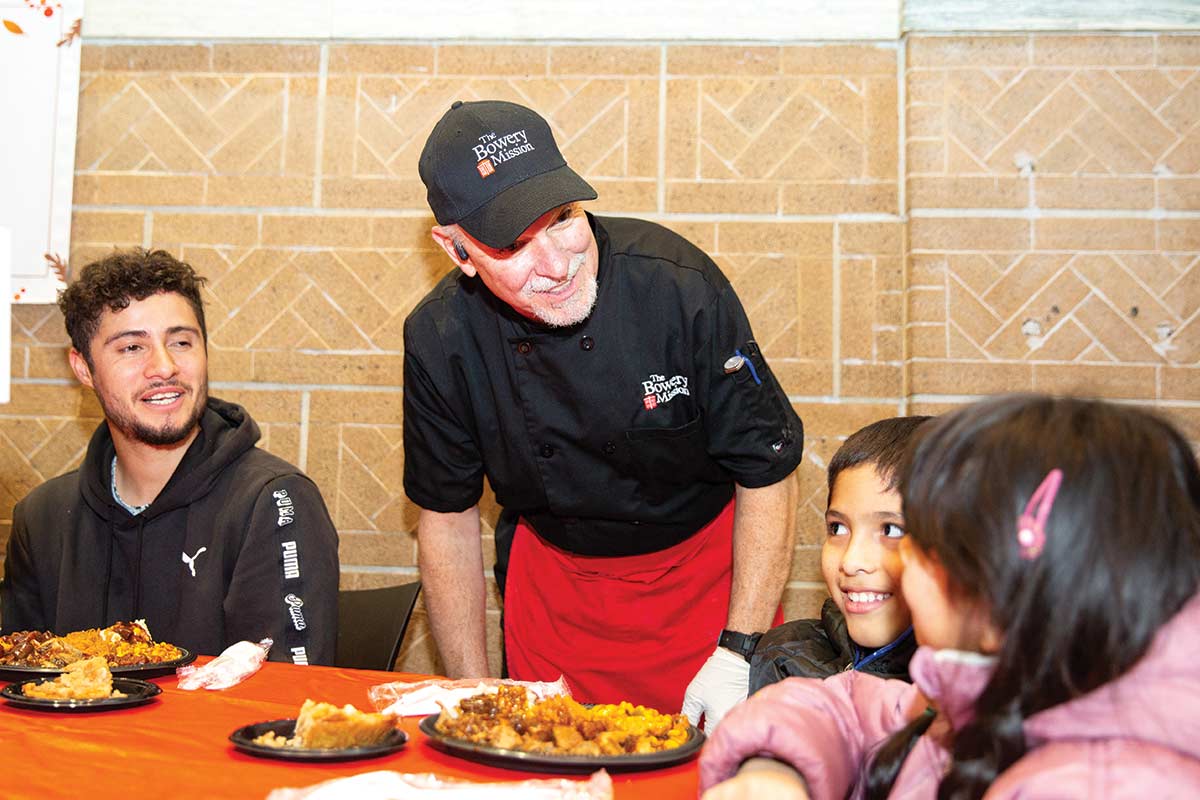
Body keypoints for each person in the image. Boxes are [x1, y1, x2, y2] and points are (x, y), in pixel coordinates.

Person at [404, 99, 803, 727]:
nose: (558, 266)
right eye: (513, 245)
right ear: (457, 252)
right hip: (559, 606)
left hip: (707, 590)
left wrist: (741, 647)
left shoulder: (677, 286)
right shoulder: (441, 339)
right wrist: (472, 693)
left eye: (563, 219)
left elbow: (767, 468)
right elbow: (448, 520)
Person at [700, 394, 1200, 799]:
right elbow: (852, 707)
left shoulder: (1098, 785)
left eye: (921, 540)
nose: (899, 561)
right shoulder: (989, 694)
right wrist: (778, 769)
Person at [0, 249, 340, 665]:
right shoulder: (43, 517)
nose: (163, 367)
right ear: (84, 368)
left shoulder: (272, 502)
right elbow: (17, 690)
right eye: (131, 348)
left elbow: (284, 701)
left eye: (181, 342)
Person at [749, 416, 929, 693]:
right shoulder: (785, 658)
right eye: (838, 528)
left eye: (891, 530)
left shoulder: (979, 699)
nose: (851, 561)